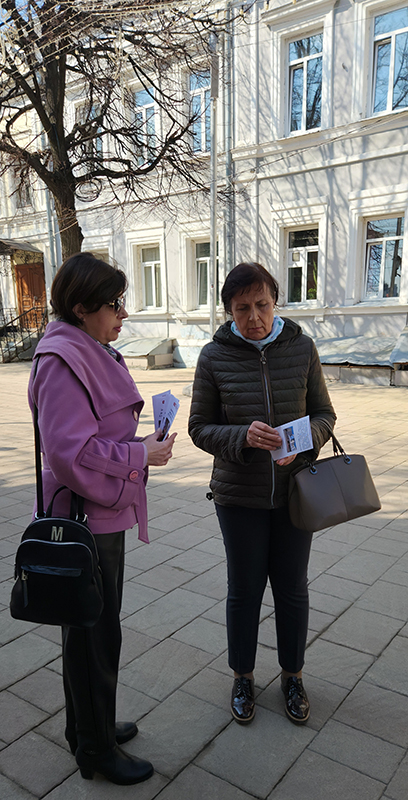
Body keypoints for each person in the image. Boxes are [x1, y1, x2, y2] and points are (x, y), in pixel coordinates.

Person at [28, 252, 176, 785]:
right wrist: (139, 455)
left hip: (98, 512)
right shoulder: (63, 359)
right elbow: (69, 452)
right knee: (94, 634)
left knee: (91, 629)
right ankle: (95, 751)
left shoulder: (84, 349)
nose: (124, 313)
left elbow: (94, 435)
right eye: (115, 303)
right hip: (84, 519)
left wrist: (139, 447)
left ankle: (88, 728)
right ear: (81, 307)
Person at [188, 262, 336, 726]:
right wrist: (242, 437)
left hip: (296, 493)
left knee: (292, 589)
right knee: (244, 590)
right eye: (241, 308)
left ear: (275, 301)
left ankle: (293, 676)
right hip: (239, 497)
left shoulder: (302, 348)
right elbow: (199, 427)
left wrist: (302, 443)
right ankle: (243, 677)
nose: (254, 317)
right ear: (228, 310)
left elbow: (325, 415)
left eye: (262, 305)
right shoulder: (214, 356)